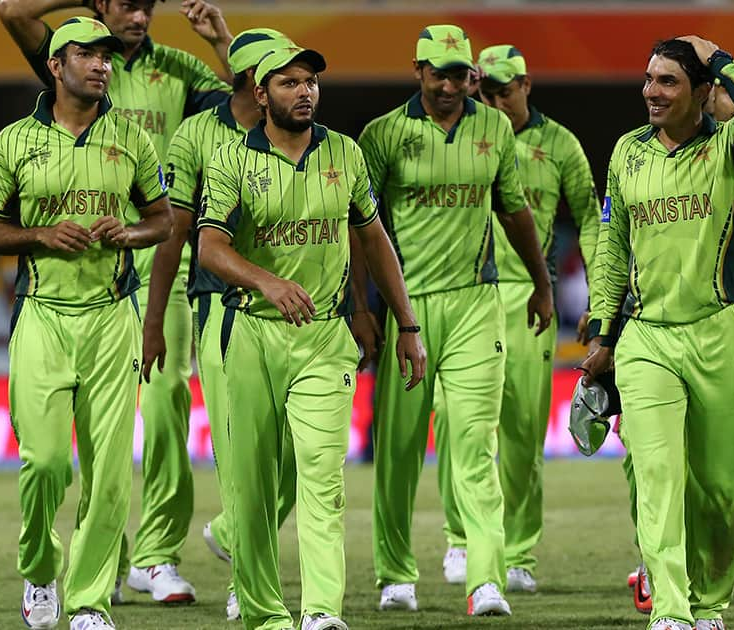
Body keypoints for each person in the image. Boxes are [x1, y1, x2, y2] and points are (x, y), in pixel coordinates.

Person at [0, 0, 233, 602]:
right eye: (125, 2)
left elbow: (255, 100)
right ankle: (78, 562)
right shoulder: (66, 61)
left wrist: (221, 41)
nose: (139, 13)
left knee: (163, 408)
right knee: (54, 457)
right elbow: (10, 11)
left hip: (163, 262)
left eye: (148, 3)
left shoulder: (179, 69)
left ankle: (153, 557)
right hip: (61, 288)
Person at [198, 45, 427, 630]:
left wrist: (406, 324)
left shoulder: (344, 153)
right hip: (250, 331)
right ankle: (262, 612)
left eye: (310, 83)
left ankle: (321, 612)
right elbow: (211, 248)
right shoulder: (229, 160)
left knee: (323, 477)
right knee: (250, 488)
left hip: (324, 338)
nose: (305, 93)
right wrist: (268, 283)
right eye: (289, 83)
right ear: (261, 94)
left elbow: (374, 241)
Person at [583, 36, 734, 630]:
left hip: (719, 333)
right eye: (648, 79)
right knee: (658, 477)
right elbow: (612, 249)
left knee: (723, 491)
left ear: (702, 92)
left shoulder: (731, 148)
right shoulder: (627, 152)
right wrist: (604, 333)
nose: (651, 91)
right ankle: (670, 609)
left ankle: (709, 605)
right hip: (647, 339)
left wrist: (718, 56)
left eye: (668, 81)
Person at [0, 17, 172, 629]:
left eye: (106, 56)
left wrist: (130, 232)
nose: (101, 64)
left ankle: (87, 601)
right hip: (42, 316)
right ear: (56, 66)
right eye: (85, 54)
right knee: (44, 464)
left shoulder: (132, 138)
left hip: (112, 317)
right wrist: (37, 235)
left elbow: (163, 221)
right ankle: (40, 569)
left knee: (110, 476)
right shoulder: (13, 141)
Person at [359, 24, 553, 617]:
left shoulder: (493, 127)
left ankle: (485, 577)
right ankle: (395, 574)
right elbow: (359, 227)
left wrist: (543, 282)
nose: (448, 85)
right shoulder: (383, 135)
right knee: (397, 448)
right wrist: (362, 308)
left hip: (476, 303)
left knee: (474, 445)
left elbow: (514, 209)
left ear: (472, 75)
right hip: (406, 308)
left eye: (458, 74)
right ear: (417, 70)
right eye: (437, 73)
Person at [433, 43, 600, 593]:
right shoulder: (466, 136)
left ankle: (520, 553)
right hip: (469, 297)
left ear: (527, 85)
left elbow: (594, 222)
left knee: (525, 432)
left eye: (506, 91)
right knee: (461, 425)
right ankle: (461, 540)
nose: (496, 101)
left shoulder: (561, 146)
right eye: (488, 92)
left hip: (531, 301)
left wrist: (601, 296)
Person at [146, 28, 293, 622]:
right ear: (253, 83)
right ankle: (249, 584)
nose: (294, 85)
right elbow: (173, 229)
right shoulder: (196, 134)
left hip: (293, 313)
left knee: (286, 458)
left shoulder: (299, 135)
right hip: (223, 311)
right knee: (241, 453)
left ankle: (234, 531)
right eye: (278, 74)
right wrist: (156, 318)